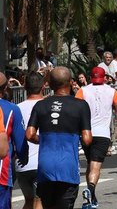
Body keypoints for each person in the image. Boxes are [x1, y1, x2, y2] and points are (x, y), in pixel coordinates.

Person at [26, 67, 92, 209]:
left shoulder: (40, 105)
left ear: (49, 83)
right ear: (70, 82)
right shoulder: (81, 105)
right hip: (68, 166)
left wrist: (44, 140)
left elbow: (29, 134)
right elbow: (87, 139)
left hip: (45, 167)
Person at [76, 67, 117, 206]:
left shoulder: (83, 90)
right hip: (102, 134)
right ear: (104, 77)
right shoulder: (111, 91)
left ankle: (91, 197)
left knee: (90, 163)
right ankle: (91, 189)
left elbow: (74, 108)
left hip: (86, 132)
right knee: (95, 166)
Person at [0, 72, 28, 207]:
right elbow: (20, 140)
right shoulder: (11, 109)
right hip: (2, 171)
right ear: (6, 88)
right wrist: (24, 157)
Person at [17, 72, 44, 209]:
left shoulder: (16, 108)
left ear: (24, 86)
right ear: (44, 86)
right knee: (39, 201)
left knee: (28, 201)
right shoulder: (48, 105)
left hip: (22, 165)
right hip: (43, 163)